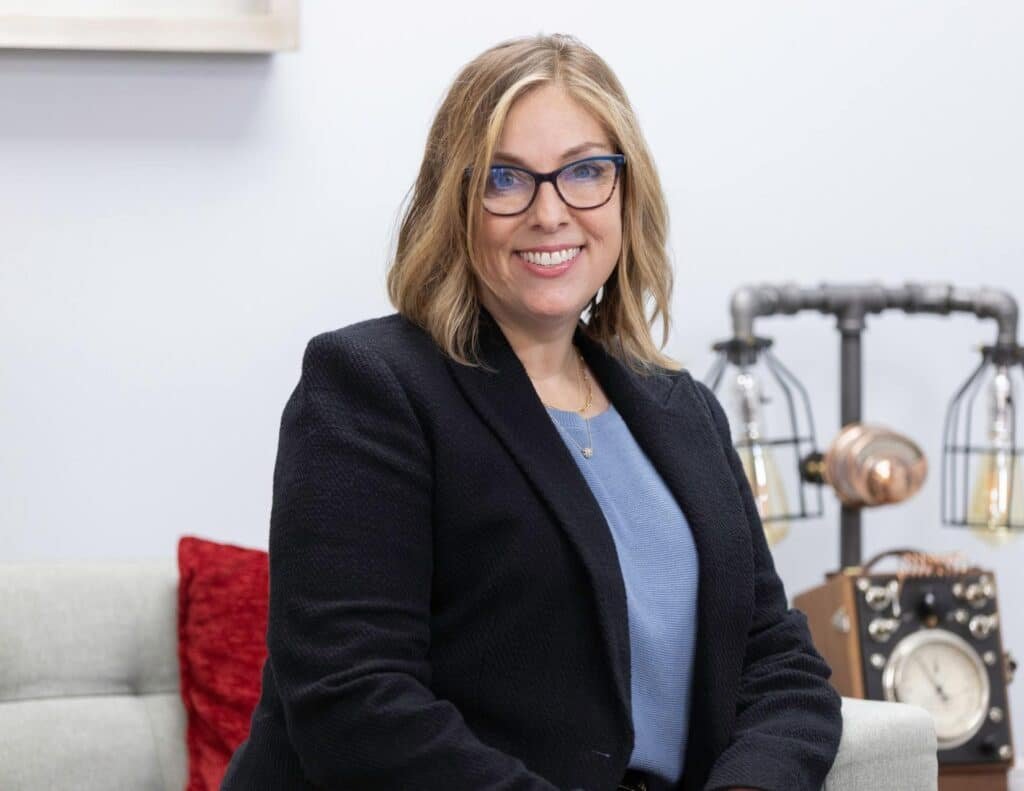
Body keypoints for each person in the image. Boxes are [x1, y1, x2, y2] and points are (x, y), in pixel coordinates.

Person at [222, 33, 842, 791]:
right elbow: (353, 700)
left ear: (625, 192)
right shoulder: (371, 387)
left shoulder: (684, 410)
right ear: (455, 202)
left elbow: (778, 661)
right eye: (506, 179)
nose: (551, 213)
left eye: (585, 171)